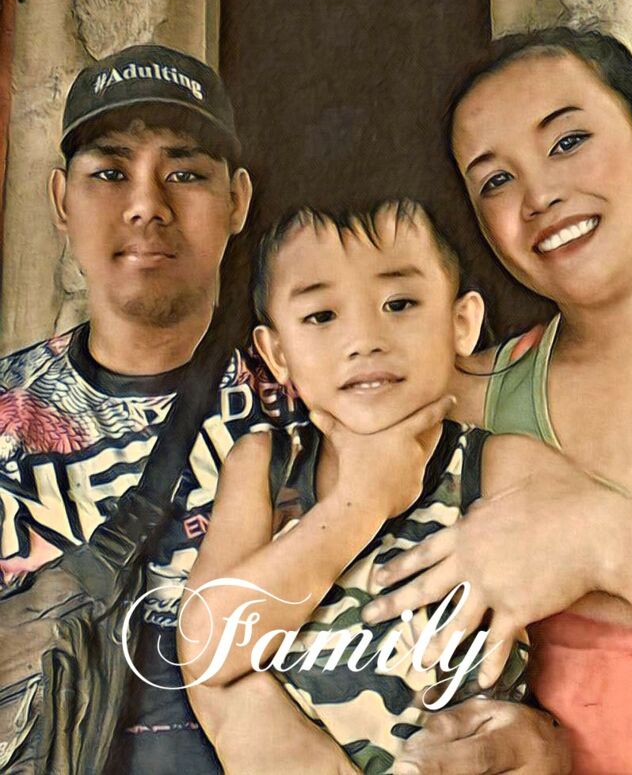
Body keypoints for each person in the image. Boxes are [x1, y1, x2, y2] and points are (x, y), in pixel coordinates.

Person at [0, 44, 567, 774]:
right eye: (109, 173)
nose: (146, 204)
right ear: (60, 201)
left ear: (237, 199)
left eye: (185, 172)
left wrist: (546, 741)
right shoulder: (16, 416)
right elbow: (210, 644)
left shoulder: (331, 401)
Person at [178, 200, 581, 774]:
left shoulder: (501, 467)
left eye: (399, 303)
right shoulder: (266, 466)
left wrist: (548, 742)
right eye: (321, 315)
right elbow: (205, 648)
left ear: (461, 323)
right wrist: (358, 505)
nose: (365, 339)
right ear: (277, 354)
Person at [361, 28, 632, 774]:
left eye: (568, 141)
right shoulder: (471, 402)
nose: (539, 196)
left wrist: (603, 539)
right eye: (495, 181)